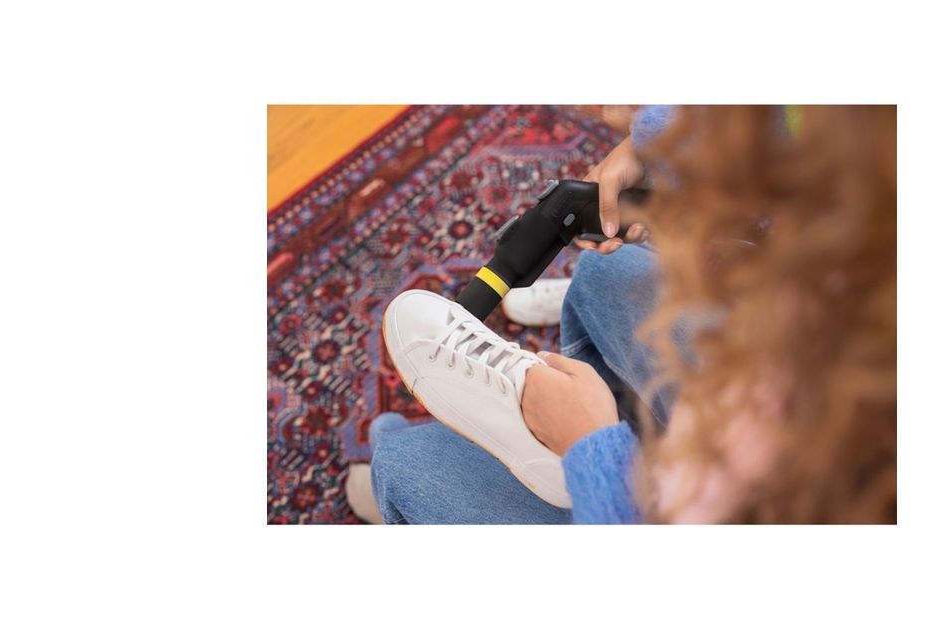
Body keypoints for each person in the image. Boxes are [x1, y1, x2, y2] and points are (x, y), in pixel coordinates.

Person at [349, 105, 896, 524]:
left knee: (407, 467)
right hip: (777, 391)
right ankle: (601, 417)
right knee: (610, 276)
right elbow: (815, 129)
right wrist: (664, 141)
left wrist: (595, 452)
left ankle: (529, 452)